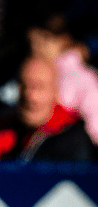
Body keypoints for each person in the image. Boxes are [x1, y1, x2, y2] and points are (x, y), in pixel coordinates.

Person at [0, 57, 95, 162]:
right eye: (24, 85)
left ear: (55, 91)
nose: (30, 95)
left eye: (39, 86)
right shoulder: (1, 131)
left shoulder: (73, 137)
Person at [26, 12, 98, 146]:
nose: (37, 49)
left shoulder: (82, 77)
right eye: (32, 42)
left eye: (44, 41)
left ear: (63, 40)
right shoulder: (28, 72)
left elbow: (95, 124)